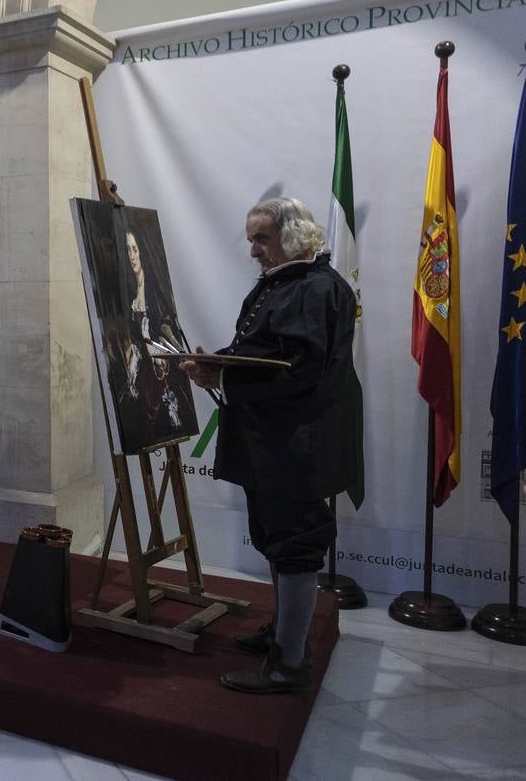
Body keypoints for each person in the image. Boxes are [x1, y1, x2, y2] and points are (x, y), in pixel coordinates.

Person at [183, 198, 360, 694]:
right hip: (274, 443)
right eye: (251, 240)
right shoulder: (287, 283)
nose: (254, 251)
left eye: (261, 238)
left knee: (295, 542)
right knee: (277, 537)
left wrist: (224, 378)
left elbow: (297, 370)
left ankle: (288, 663)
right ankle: (284, 635)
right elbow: (264, 353)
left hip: (295, 445)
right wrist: (220, 364)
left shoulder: (314, 288)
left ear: (294, 235)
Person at [111, 224, 193, 451]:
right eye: (128, 250)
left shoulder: (155, 291)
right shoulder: (127, 292)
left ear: (142, 251)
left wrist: (152, 342)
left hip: (163, 373)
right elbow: (130, 340)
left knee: (170, 420)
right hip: (143, 376)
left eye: (135, 249)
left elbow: (168, 333)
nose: (132, 255)